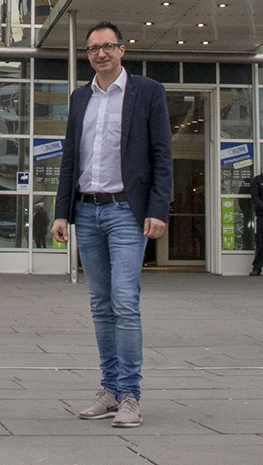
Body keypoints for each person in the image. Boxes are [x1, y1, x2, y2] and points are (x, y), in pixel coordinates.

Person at [49, 22, 172, 430]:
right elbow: (70, 158)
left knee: (124, 302)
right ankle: (109, 390)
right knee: (101, 306)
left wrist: (158, 210)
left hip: (125, 212)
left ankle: (131, 396)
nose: (100, 54)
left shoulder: (148, 93)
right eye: (93, 49)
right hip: (87, 211)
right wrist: (61, 211)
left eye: (107, 46)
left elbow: (161, 157)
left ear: (122, 49)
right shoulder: (80, 98)